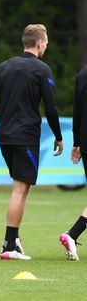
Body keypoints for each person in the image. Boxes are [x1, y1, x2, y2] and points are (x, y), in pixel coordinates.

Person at [0, 24, 63, 260]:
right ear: (39, 44)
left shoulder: (4, 66)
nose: (46, 47)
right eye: (45, 43)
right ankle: (8, 246)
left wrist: (3, 111)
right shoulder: (42, 69)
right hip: (25, 136)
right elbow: (51, 107)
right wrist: (58, 136)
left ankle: (14, 240)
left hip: (5, 135)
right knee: (20, 190)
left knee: (20, 188)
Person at [59, 65, 87, 261]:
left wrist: (77, 141)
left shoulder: (83, 72)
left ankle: (73, 234)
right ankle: (72, 234)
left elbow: (77, 110)